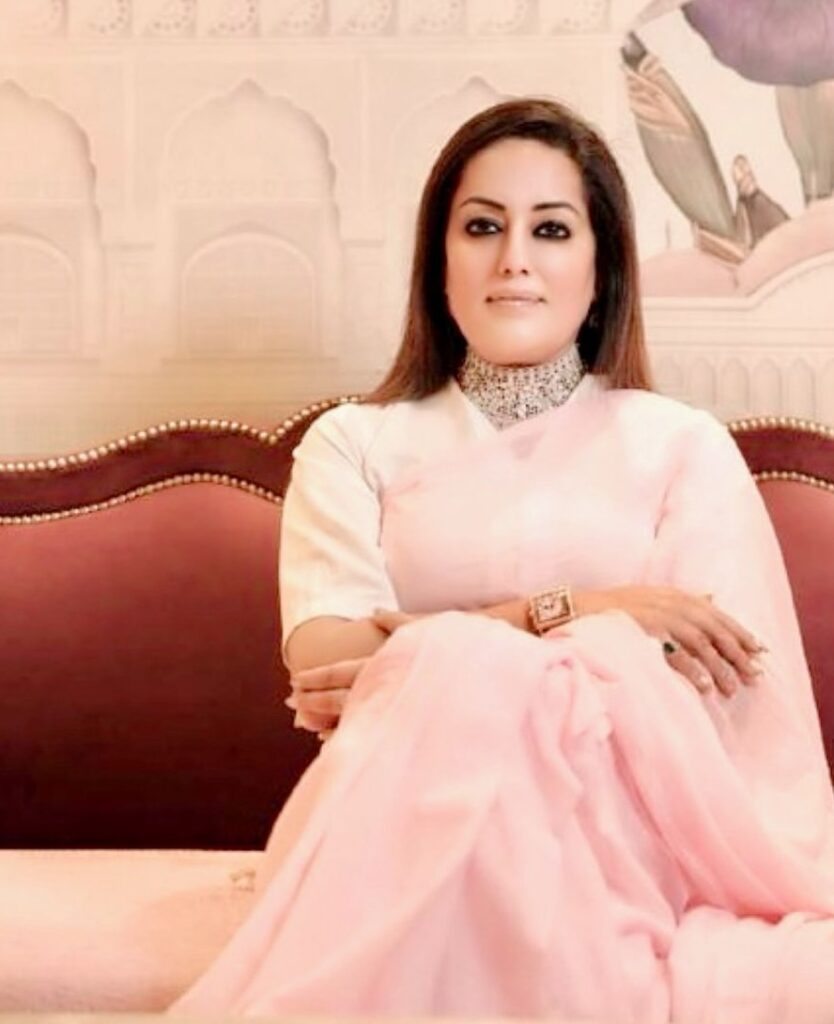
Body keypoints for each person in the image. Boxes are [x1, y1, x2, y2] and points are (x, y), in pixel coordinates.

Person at [171, 98, 834, 1022]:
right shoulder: (354, 445)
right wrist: (585, 612)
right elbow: (326, 664)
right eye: (482, 226)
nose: (513, 258)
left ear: (601, 270)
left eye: (551, 230)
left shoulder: (678, 446)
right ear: (438, 262)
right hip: (393, 830)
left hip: (620, 835)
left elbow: (712, 702)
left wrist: (425, 655)